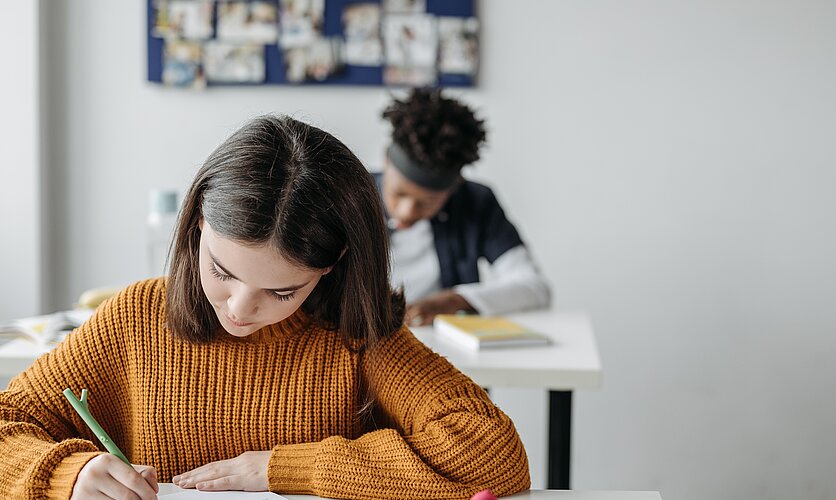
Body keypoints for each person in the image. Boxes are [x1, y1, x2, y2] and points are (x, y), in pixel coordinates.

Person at [0, 116, 530, 499]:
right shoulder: (138, 316)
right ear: (198, 227)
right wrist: (66, 473)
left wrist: (285, 468)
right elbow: (8, 424)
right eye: (222, 273)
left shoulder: (356, 332)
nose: (240, 309)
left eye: (282, 293)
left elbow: (494, 455)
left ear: (331, 265)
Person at [377, 88, 551, 326]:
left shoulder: (476, 202)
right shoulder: (347, 196)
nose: (407, 211)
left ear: (454, 187)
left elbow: (535, 288)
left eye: (427, 202)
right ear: (386, 161)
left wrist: (453, 301)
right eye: (399, 193)